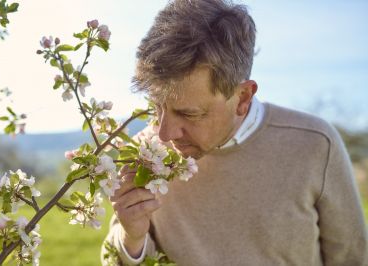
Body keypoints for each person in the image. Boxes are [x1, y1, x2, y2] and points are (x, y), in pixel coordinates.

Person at [101, 0, 368, 265]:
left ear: (242, 97)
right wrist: (131, 238)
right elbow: (114, 258)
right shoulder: (146, 153)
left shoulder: (315, 145)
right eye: (157, 107)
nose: (164, 134)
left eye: (189, 113)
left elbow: (353, 258)